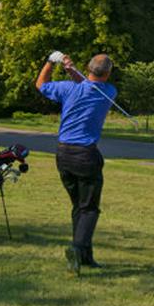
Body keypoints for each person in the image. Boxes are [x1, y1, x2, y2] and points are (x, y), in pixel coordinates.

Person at [36, 53, 117, 275]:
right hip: (86, 155)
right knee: (89, 209)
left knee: (79, 207)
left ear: (88, 68)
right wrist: (72, 71)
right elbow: (90, 85)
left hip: (63, 154)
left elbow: (41, 84)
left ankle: (84, 257)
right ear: (108, 73)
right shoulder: (109, 92)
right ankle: (77, 249)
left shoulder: (67, 88)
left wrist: (51, 61)